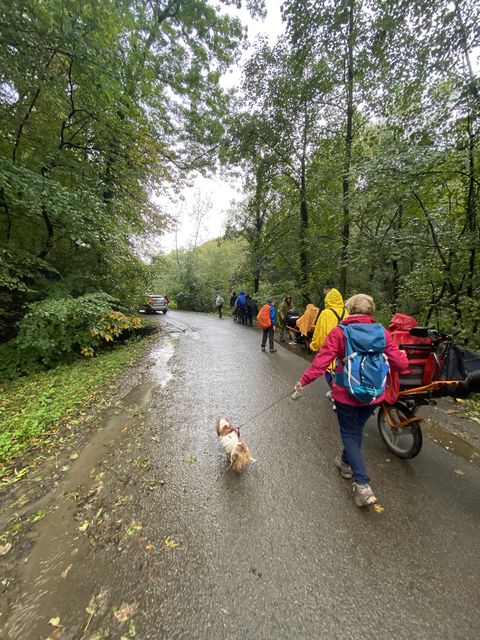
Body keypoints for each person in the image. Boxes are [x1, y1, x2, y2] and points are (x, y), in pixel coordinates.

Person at [292, 294, 408, 507]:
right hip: (373, 394)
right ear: (370, 311)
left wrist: (303, 381)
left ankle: (362, 484)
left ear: (350, 309)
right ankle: (345, 463)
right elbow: (401, 363)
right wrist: (402, 355)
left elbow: (321, 362)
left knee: (349, 434)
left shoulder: (340, 332)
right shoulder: (382, 332)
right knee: (355, 432)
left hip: (347, 393)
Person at [310, 288, 349, 408]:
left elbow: (319, 333)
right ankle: (336, 393)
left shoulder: (326, 313)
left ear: (328, 300)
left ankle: (339, 399)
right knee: (344, 373)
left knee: (330, 373)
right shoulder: (347, 312)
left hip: (331, 349)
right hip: (346, 349)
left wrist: (314, 345)